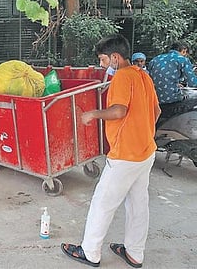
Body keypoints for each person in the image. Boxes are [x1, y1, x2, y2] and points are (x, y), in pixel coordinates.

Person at [61, 34, 161, 268]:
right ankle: (135, 253)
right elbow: (156, 111)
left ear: (115, 57)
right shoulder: (143, 75)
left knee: (102, 202)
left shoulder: (123, 78)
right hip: (146, 152)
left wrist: (93, 114)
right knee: (138, 203)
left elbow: (118, 111)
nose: (102, 64)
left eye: (104, 60)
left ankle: (90, 252)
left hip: (125, 155)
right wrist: (143, 132)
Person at [147, 42, 197, 118]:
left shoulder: (155, 59)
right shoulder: (182, 60)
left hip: (155, 100)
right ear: (184, 50)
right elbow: (193, 83)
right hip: (172, 100)